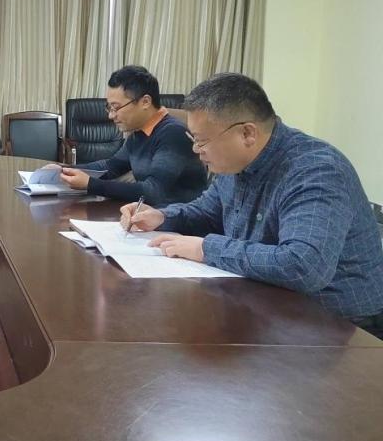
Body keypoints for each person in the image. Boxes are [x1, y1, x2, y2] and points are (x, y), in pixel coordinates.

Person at [122, 73, 383, 338]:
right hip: (268, 300)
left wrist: (205, 248)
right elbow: (207, 212)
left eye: (202, 141)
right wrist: (161, 216)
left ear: (247, 133)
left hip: (341, 324)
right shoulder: (235, 163)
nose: (196, 150)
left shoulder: (315, 171)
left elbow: (304, 266)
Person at [57, 65, 207, 206]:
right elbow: (111, 167)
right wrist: (63, 170)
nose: (111, 115)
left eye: (116, 107)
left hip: (179, 219)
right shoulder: (139, 132)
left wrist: (90, 184)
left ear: (145, 102)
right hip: (149, 214)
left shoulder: (173, 134)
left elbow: (153, 191)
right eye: (109, 108)